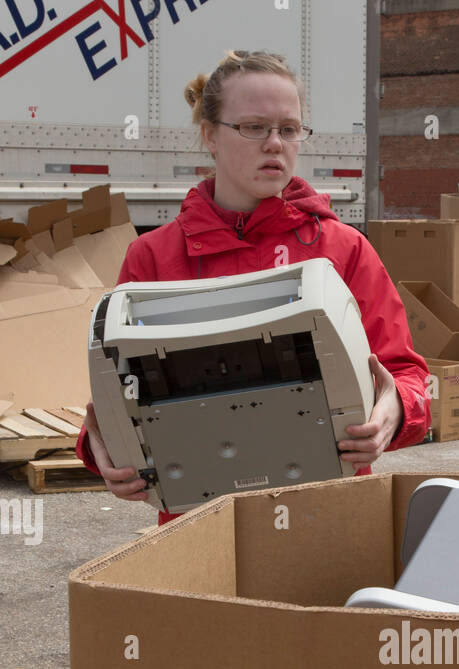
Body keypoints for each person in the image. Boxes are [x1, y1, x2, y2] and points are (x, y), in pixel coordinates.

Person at [78, 49, 430, 525]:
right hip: (199, 523)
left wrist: (395, 413)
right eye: (253, 127)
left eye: (289, 129)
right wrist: (97, 444)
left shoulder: (344, 250)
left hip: (329, 514)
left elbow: (405, 374)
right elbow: (117, 389)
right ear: (210, 136)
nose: (274, 144)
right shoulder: (153, 257)